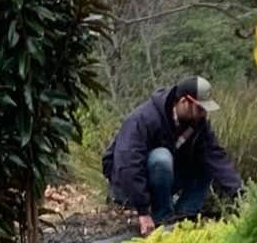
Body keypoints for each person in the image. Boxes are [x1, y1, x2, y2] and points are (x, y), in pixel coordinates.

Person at [104, 75, 242, 234]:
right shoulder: (144, 119)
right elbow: (127, 164)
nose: (204, 114)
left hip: (165, 178)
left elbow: (217, 158)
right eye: (200, 108)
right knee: (161, 158)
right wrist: (142, 211)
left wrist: (241, 196)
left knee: (208, 163)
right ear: (184, 102)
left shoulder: (198, 124)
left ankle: (185, 219)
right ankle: (163, 218)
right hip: (130, 185)